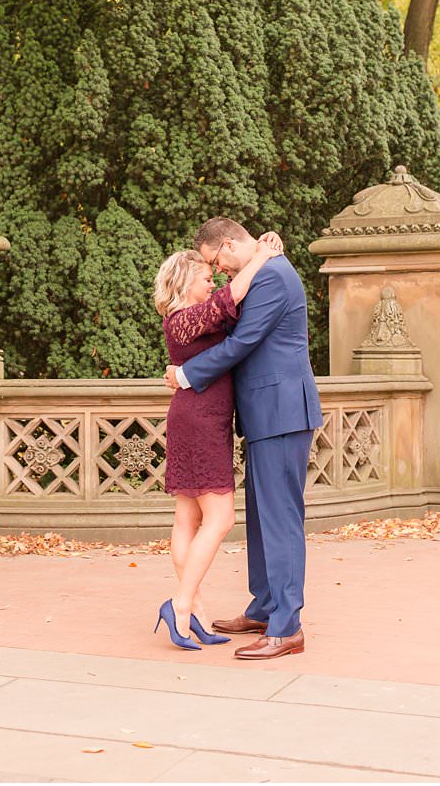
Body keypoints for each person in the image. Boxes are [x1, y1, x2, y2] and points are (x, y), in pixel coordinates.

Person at [163, 217, 323, 661]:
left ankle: (287, 627)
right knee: (261, 517)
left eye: (218, 262)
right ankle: (266, 606)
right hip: (263, 413)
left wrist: (186, 374)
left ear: (230, 245)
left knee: (281, 518)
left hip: (282, 410)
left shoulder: (272, 274)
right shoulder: (265, 266)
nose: (221, 272)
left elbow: (244, 340)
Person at [151, 233, 283, 650]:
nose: (213, 282)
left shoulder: (199, 315)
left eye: (213, 276)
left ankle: (196, 617)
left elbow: (234, 309)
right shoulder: (182, 318)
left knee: (186, 519)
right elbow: (232, 297)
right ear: (185, 281)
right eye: (205, 277)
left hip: (200, 419)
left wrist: (261, 250)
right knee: (220, 518)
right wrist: (260, 256)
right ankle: (182, 603)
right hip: (200, 422)